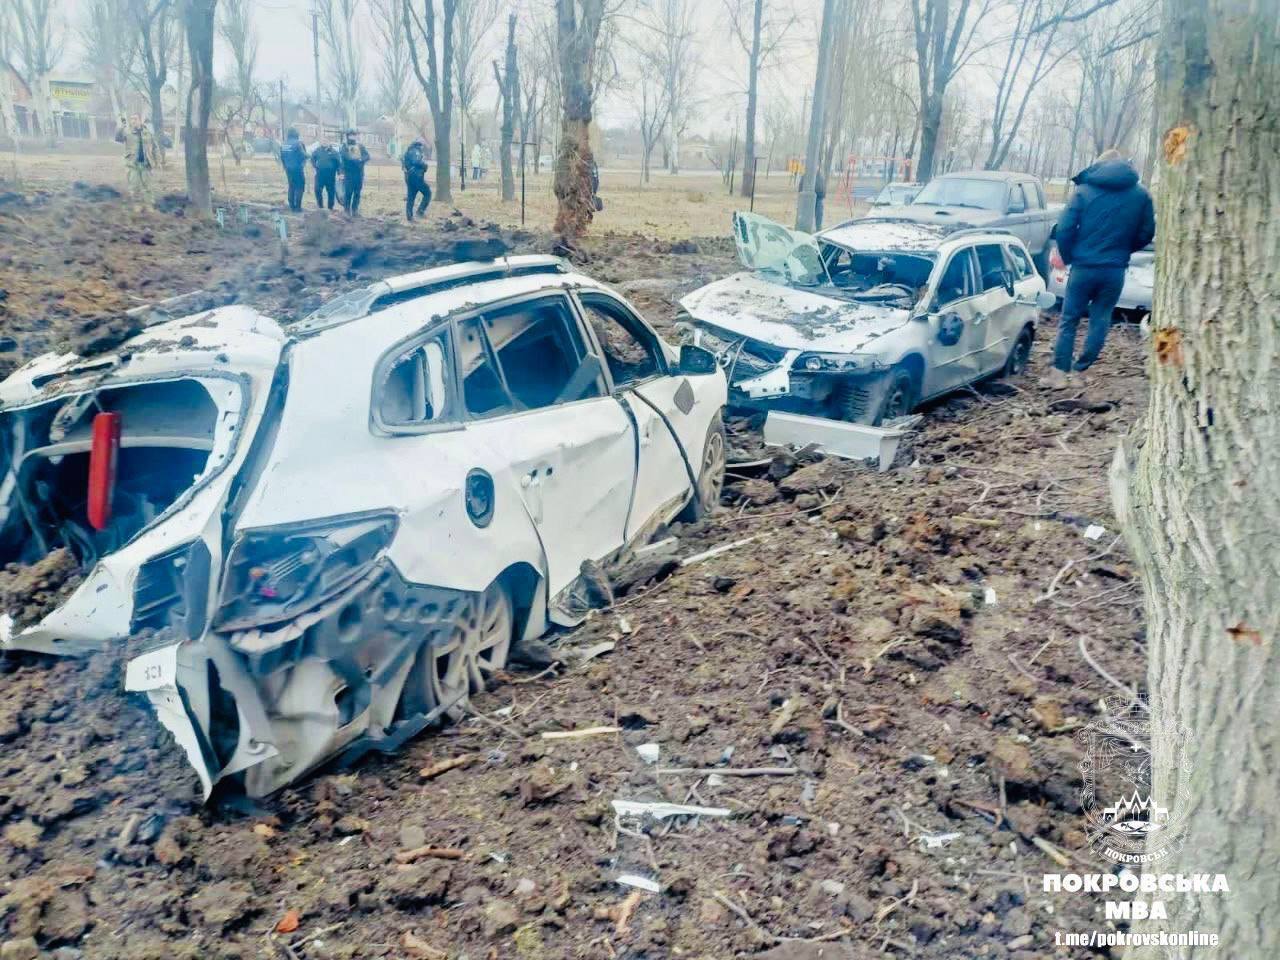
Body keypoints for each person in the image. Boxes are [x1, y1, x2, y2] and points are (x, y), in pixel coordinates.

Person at [1049, 148, 1155, 385]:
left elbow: (1065, 228)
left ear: (1098, 167)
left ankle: (1059, 373)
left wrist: (1067, 256)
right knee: (1100, 319)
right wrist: (1123, 250)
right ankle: (1080, 369)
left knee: (1069, 319)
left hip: (1083, 268)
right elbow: (1147, 232)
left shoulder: (1083, 192)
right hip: (1114, 270)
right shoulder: (1141, 195)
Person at [115, 114, 158, 207]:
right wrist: (121, 127)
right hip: (133, 164)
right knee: (134, 187)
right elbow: (118, 138)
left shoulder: (148, 132)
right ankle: (137, 205)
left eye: (135, 119)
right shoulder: (127, 132)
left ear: (140, 120)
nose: (133, 121)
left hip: (146, 164)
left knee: (148, 187)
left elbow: (154, 147)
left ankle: (149, 205)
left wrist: (157, 161)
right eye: (131, 119)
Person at [339, 128, 370, 215]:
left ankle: (355, 210)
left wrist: (360, 159)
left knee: (357, 193)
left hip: (359, 174)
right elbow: (346, 157)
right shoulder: (344, 147)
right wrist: (356, 160)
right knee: (348, 192)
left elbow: (367, 156)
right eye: (350, 135)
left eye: (354, 135)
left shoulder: (360, 146)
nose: (352, 137)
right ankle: (346, 210)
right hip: (349, 173)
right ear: (347, 136)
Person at [402, 139, 432, 221]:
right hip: (416, 177)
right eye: (422, 146)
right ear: (419, 145)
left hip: (409, 177)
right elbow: (416, 161)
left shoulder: (408, 151)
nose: (422, 148)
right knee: (427, 193)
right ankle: (420, 211)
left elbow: (405, 165)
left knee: (411, 196)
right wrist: (425, 165)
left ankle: (409, 216)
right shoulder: (415, 151)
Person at [279, 128, 307, 212]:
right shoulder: (298, 143)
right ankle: (298, 207)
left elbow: (282, 157)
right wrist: (310, 156)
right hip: (297, 168)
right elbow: (303, 155)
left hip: (288, 169)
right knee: (300, 187)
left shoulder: (284, 144)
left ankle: (291, 206)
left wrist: (285, 166)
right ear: (296, 134)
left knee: (291, 186)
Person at [311, 141, 340, 210]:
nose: (324, 142)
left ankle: (330, 207)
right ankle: (320, 206)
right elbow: (312, 158)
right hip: (320, 174)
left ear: (329, 143)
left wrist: (339, 172)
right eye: (323, 141)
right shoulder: (317, 150)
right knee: (317, 190)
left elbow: (338, 163)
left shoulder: (334, 152)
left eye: (326, 141)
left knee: (331, 191)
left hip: (330, 175)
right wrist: (315, 166)